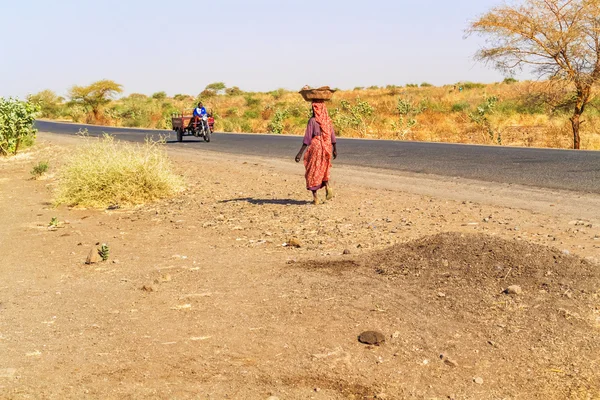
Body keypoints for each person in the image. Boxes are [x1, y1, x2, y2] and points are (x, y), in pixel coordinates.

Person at [295, 102, 338, 205]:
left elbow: (308, 138)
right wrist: (335, 149)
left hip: (316, 147)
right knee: (323, 168)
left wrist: (300, 153)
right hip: (327, 147)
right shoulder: (327, 121)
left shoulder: (312, 121)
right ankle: (327, 185)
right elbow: (332, 136)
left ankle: (316, 199)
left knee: (313, 171)